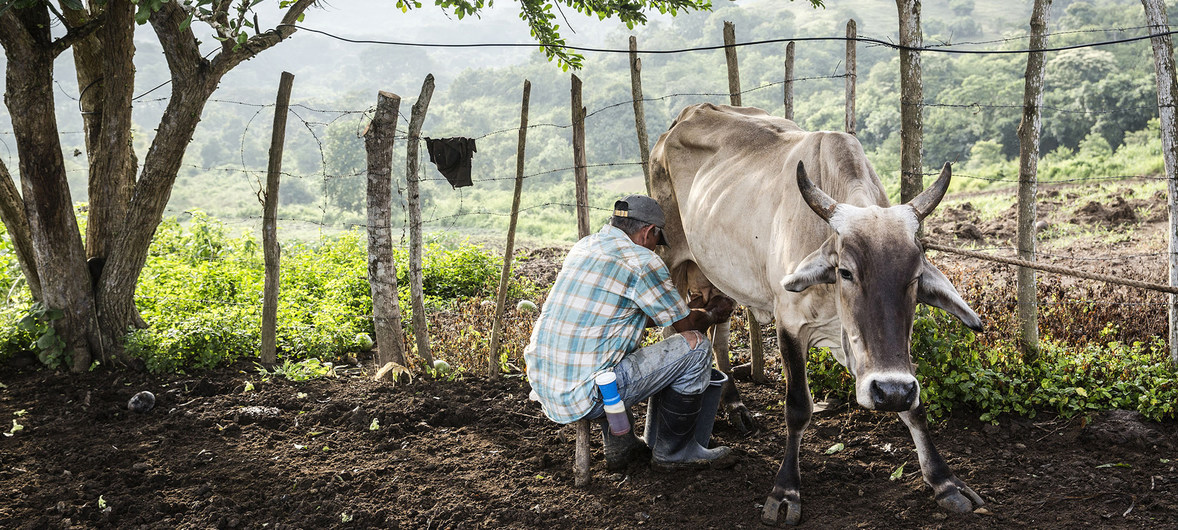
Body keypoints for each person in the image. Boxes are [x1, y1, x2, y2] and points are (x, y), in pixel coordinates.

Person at [524, 194, 736, 471]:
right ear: (649, 232)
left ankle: (621, 446)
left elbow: (618, 315)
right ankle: (675, 452)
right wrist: (712, 313)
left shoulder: (585, 246)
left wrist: (681, 310)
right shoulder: (642, 261)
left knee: (612, 350)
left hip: (546, 382)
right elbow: (686, 327)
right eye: (657, 241)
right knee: (696, 347)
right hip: (587, 394)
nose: (655, 248)